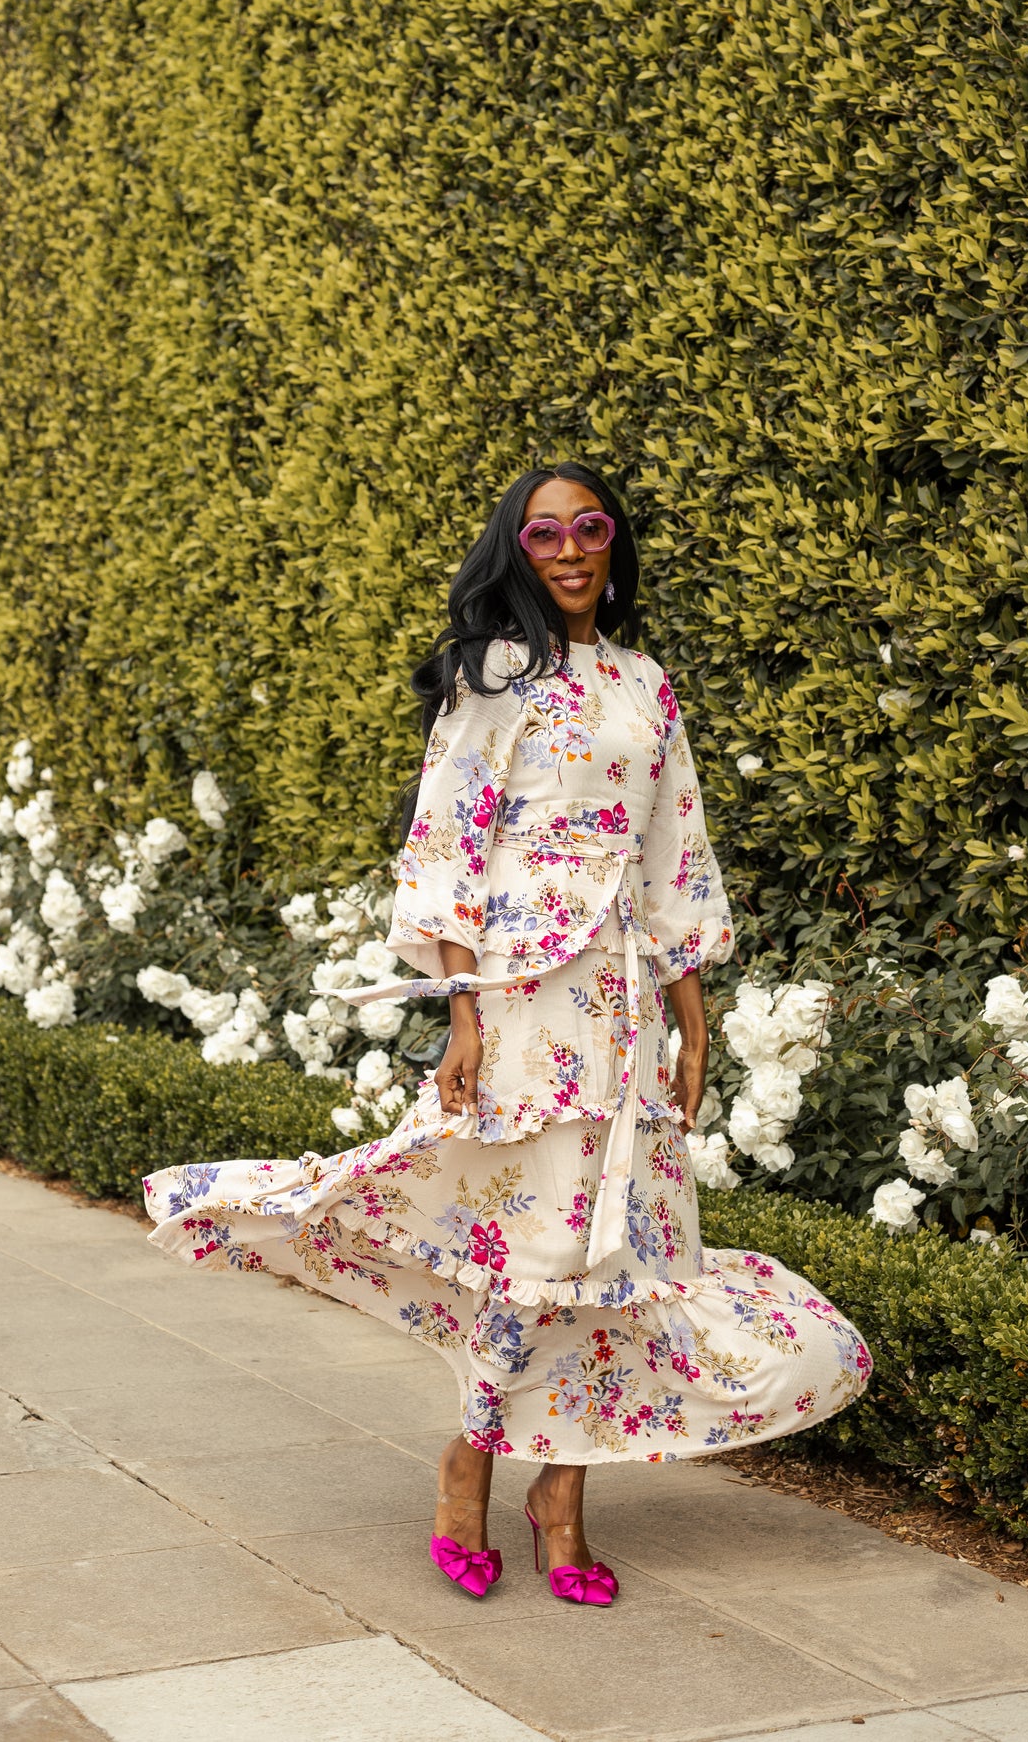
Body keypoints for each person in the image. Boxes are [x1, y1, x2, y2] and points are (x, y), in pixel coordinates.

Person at [144, 462, 872, 1608]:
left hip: (626, 1009)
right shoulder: (492, 678)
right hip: (529, 1002)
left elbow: (673, 855)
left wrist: (694, 1025)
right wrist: (465, 1016)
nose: (571, 550)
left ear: (613, 544)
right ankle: (467, 1469)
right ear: (516, 550)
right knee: (531, 1251)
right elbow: (444, 849)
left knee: (613, 1259)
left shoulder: (644, 682)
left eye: (591, 529)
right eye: (545, 535)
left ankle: (563, 1500)